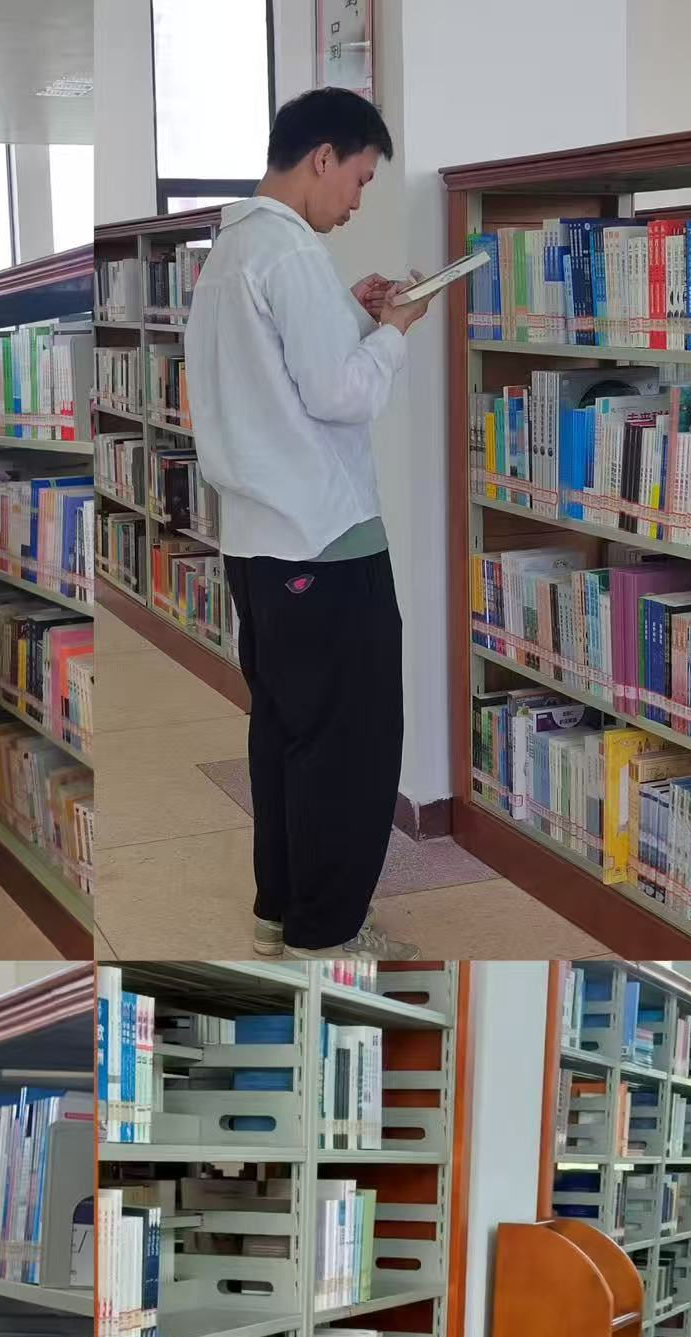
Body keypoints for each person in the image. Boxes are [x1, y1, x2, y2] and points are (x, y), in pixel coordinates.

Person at [185, 87, 433, 963]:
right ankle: (324, 934)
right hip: (323, 540)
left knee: (285, 732)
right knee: (349, 745)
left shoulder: (230, 252)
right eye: (358, 179)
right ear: (322, 157)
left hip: (256, 544)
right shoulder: (289, 251)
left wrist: (354, 314)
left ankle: (281, 911)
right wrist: (396, 330)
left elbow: (280, 373)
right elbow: (339, 394)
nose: (357, 200)